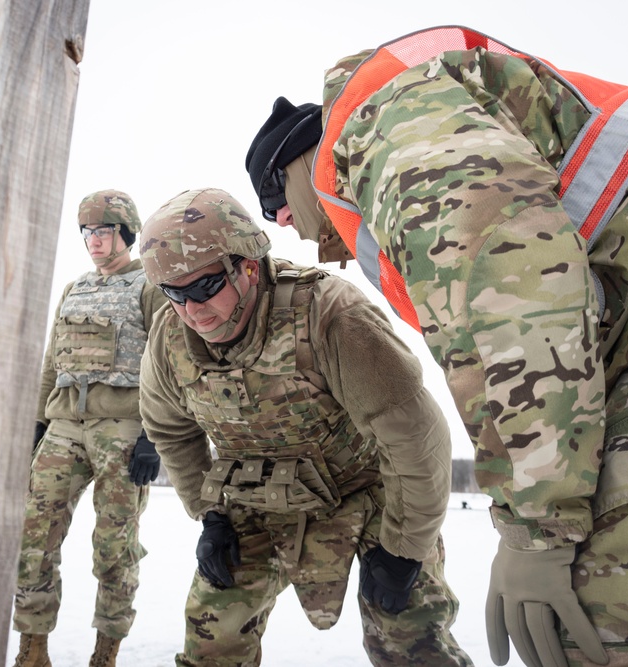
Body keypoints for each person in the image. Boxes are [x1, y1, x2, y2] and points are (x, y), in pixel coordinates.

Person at [245, 25, 628, 667]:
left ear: (297, 166)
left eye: (274, 203)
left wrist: (537, 529)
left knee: (612, 602)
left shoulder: (390, 121)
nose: (284, 225)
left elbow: (512, 287)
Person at [137, 187, 472, 666]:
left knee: (410, 637)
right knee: (212, 638)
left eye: (204, 288)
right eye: (174, 293)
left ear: (248, 266)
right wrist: (209, 512)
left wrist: (406, 548)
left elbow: (415, 438)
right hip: (251, 499)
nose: (191, 310)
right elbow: (169, 429)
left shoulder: (329, 315)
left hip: (364, 490)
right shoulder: (169, 338)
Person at [12, 189, 169, 667]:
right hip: (64, 427)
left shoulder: (150, 287)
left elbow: (167, 365)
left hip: (121, 430)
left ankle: (106, 653)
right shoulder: (75, 288)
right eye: (87, 233)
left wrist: (153, 436)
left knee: (114, 546)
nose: (94, 241)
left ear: (125, 234)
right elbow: (49, 363)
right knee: (32, 537)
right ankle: (32, 650)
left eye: (103, 231)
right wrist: (38, 424)